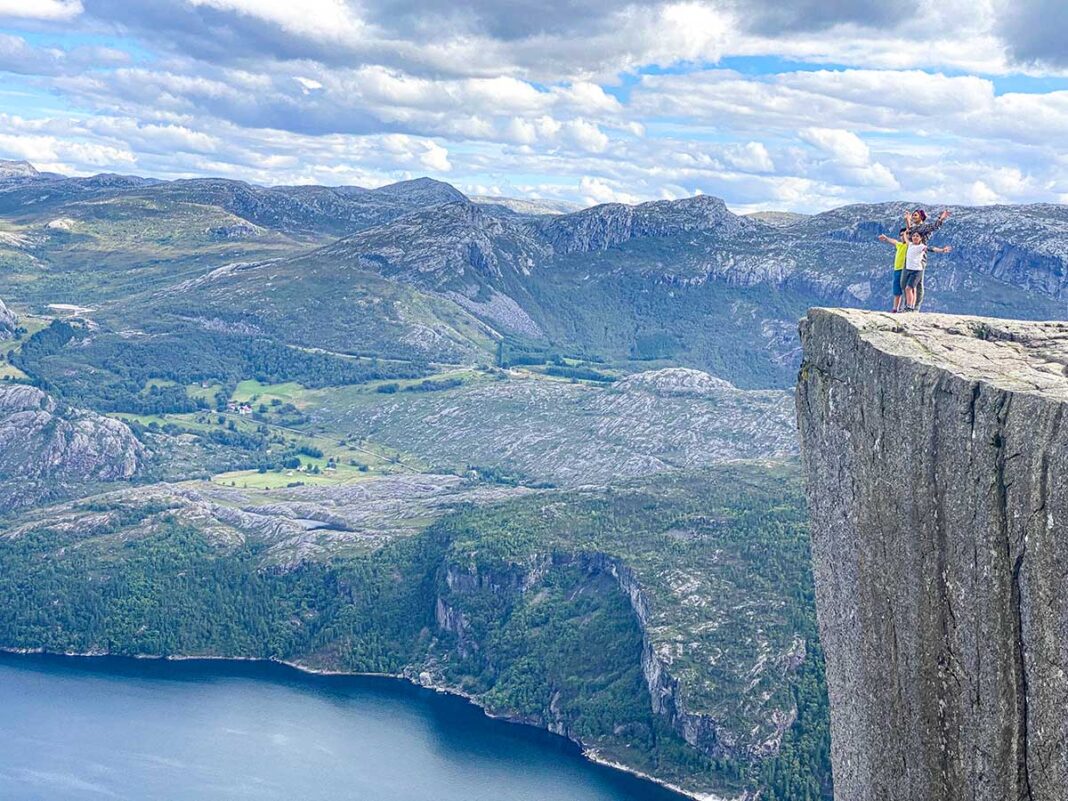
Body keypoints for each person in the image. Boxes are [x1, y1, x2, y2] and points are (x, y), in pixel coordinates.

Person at [904, 208, 951, 310]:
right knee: (907, 284)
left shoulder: (924, 228)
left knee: (917, 285)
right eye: (912, 215)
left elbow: (934, 227)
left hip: (920, 257)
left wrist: (941, 219)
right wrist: (907, 220)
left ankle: (914, 307)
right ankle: (908, 305)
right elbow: (910, 232)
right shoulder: (914, 229)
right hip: (911, 257)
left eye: (915, 215)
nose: (913, 217)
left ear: (921, 217)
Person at [877, 227, 909, 312]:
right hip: (897, 269)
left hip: (905, 269)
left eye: (905, 235)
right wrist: (886, 238)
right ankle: (895, 308)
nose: (903, 237)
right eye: (901, 235)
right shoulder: (899, 245)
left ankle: (906, 307)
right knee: (896, 290)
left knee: (906, 289)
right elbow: (893, 241)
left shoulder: (909, 245)